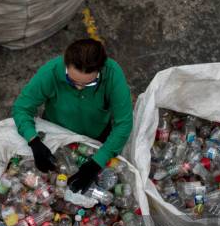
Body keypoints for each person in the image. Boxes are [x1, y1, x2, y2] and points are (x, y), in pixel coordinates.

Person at [12, 38, 133, 193]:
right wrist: (33, 141)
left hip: (95, 136)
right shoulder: (51, 72)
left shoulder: (113, 75)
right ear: (66, 65)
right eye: (72, 81)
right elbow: (22, 107)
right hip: (55, 132)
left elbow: (124, 123)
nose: (79, 87)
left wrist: (97, 162)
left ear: (100, 70)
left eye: (88, 84)